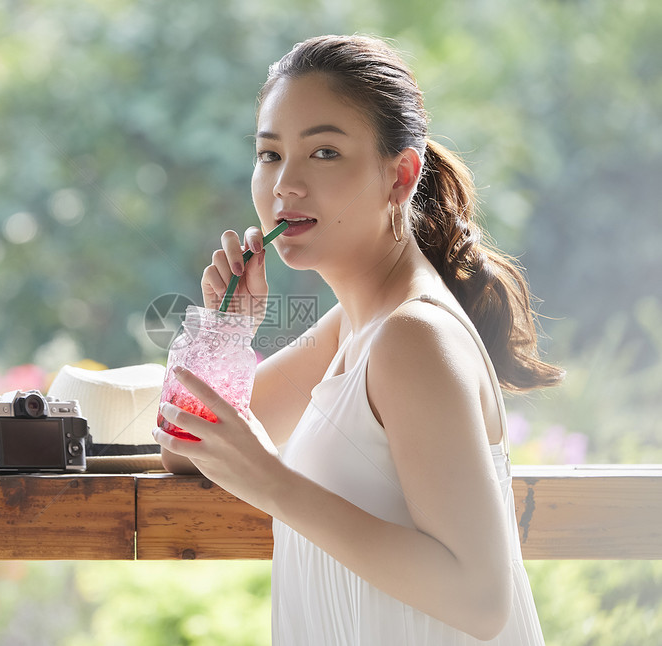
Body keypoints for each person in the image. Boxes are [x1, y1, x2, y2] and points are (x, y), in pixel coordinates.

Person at [153, 34, 563, 645]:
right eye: (269, 155)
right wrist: (226, 332)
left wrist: (274, 484)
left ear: (400, 175)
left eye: (323, 153)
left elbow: (481, 602)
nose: (285, 184)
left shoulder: (414, 337)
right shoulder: (353, 328)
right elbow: (187, 449)